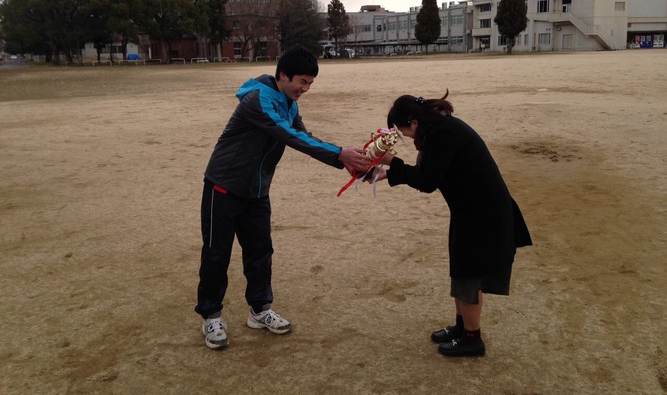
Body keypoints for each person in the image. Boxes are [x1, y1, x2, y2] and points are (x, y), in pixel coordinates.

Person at [195, 45, 370, 350]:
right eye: (302, 82)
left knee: (260, 251)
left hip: (257, 191)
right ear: (284, 75)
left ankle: (260, 310)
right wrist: (339, 153)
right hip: (223, 187)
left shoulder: (289, 103)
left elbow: (305, 136)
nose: (306, 89)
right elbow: (289, 136)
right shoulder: (258, 99)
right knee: (216, 254)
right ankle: (211, 316)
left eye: (310, 84)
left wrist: (344, 161)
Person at [371, 91, 532, 357]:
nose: (405, 136)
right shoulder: (439, 128)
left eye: (403, 131)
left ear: (413, 122)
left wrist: (391, 162)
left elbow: (427, 181)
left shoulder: (443, 133)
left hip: (482, 214)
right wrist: (385, 174)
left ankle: (472, 338)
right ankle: (462, 327)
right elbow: (427, 173)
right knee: (461, 271)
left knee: (469, 275)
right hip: (471, 210)